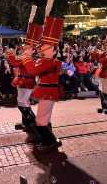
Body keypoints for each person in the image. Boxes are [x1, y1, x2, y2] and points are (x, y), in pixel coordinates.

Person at [21, 16, 64, 152]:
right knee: (44, 118)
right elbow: (35, 67)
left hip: (48, 92)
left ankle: (49, 141)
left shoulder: (51, 61)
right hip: (45, 91)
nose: (41, 49)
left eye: (44, 46)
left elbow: (33, 70)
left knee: (41, 120)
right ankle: (47, 138)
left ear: (53, 49)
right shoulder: (46, 59)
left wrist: (26, 57)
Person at [6, 23, 43, 131]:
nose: (23, 49)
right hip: (23, 81)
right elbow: (15, 62)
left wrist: (11, 53)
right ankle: (27, 122)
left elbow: (14, 62)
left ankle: (31, 120)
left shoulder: (28, 58)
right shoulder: (26, 57)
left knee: (23, 102)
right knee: (22, 101)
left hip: (26, 82)